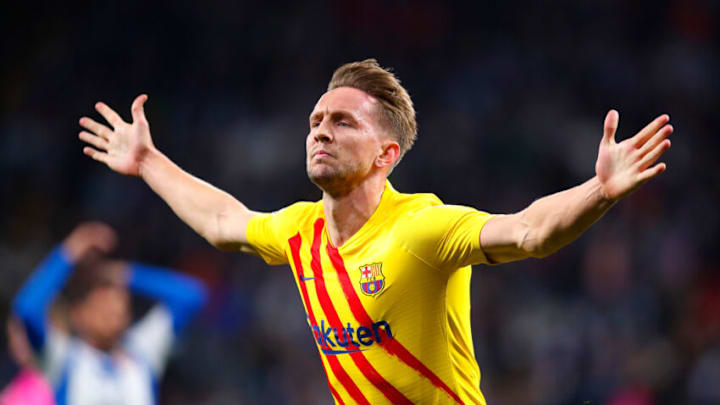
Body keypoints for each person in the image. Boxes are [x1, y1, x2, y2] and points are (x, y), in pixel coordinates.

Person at [78, 59, 672, 404]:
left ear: (387, 153)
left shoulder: (423, 226)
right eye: (315, 121)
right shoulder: (298, 230)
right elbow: (221, 221)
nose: (320, 131)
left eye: (341, 121)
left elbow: (529, 232)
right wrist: (148, 161)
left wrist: (600, 191)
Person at [12, 222, 207, 405]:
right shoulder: (63, 357)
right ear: (79, 314)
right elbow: (27, 310)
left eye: (119, 305)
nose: (113, 311)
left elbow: (191, 296)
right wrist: (68, 252)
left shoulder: (143, 352)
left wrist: (124, 273)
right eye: (102, 306)